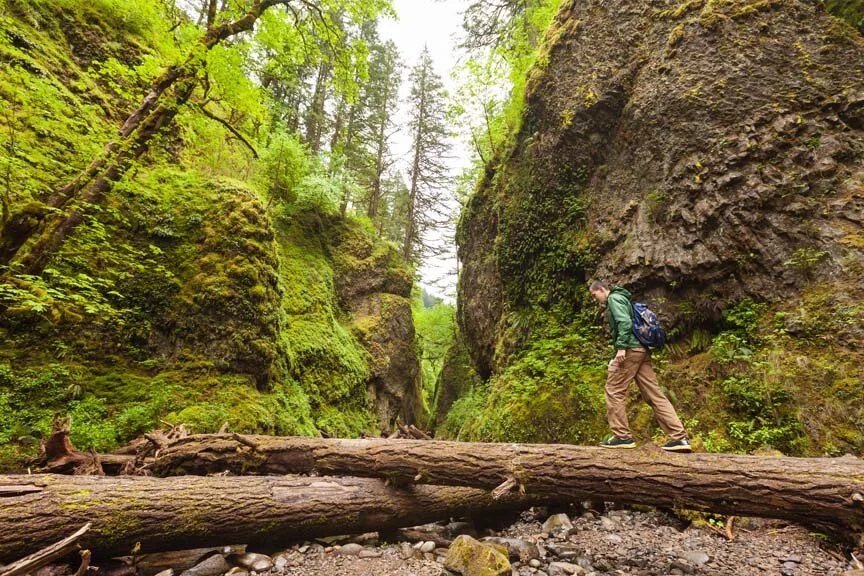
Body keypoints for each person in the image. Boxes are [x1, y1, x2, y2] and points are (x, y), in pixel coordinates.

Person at [588, 280, 692, 452]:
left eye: (594, 295)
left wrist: (621, 349)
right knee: (655, 394)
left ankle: (622, 436)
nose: (595, 299)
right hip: (640, 351)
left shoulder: (614, 298)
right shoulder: (624, 298)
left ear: (602, 289)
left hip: (630, 350)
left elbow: (624, 323)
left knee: (613, 390)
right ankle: (679, 438)